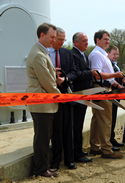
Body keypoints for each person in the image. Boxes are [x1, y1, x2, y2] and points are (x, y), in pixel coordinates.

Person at [26, 23, 60, 177]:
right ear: (42, 35)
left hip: (44, 104)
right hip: (41, 104)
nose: (54, 40)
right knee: (42, 138)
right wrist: (60, 95)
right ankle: (40, 170)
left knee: (44, 137)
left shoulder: (41, 52)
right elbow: (47, 82)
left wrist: (53, 71)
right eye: (52, 37)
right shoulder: (39, 54)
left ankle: (43, 166)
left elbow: (47, 75)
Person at [89, 30, 124, 159]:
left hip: (105, 87)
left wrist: (118, 85)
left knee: (98, 120)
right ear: (97, 40)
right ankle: (106, 149)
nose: (107, 41)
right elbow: (96, 74)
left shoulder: (101, 54)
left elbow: (107, 75)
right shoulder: (97, 54)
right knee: (106, 119)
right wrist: (115, 75)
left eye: (108, 39)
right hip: (101, 88)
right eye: (105, 39)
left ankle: (95, 146)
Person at [49, 27, 77, 170]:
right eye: (59, 39)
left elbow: (74, 72)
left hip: (67, 95)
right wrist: (55, 79)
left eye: (63, 40)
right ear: (53, 39)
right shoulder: (45, 53)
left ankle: (69, 160)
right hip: (51, 96)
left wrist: (65, 78)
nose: (61, 42)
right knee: (56, 130)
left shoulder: (67, 53)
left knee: (68, 128)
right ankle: (56, 161)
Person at [71, 32, 95, 163]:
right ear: (76, 42)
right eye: (84, 41)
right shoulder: (73, 55)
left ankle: (78, 150)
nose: (87, 43)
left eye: (87, 40)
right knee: (76, 126)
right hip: (78, 96)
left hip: (85, 95)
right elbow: (77, 74)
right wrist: (90, 73)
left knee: (79, 125)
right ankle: (77, 154)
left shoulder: (83, 55)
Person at [106, 45, 125, 150]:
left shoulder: (116, 65)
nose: (116, 56)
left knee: (113, 117)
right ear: (108, 54)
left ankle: (112, 138)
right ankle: (109, 140)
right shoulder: (108, 64)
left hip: (117, 94)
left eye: (117, 54)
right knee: (110, 118)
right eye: (114, 54)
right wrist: (119, 86)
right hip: (111, 93)